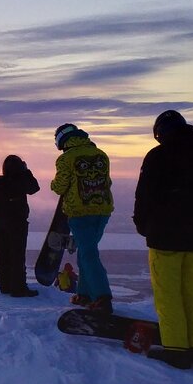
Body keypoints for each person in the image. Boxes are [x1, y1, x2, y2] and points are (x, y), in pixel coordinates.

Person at [132, 110, 193, 370]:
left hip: (165, 238)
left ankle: (176, 349)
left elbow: (144, 195)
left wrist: (142, 224)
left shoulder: (157, 157)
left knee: (168, 294)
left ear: (160, 132)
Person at [51, 123, 114, 312]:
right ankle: (85, 294)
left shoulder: (66, 159)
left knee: (88, 254)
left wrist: (53, 184)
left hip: (80, 213)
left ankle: (102, 297)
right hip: (103, 210)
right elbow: (107, 181)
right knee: (87, 252)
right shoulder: (101, 154)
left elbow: (60, 186)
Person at [0, 155, 41, 297]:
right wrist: (26, 171)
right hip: (18, 223)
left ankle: (5, 286)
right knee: (17, 255)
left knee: (2, 254)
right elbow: (34, 187)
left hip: (1, 224)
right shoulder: (21, 181)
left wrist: (4, 205)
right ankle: (18, 288)